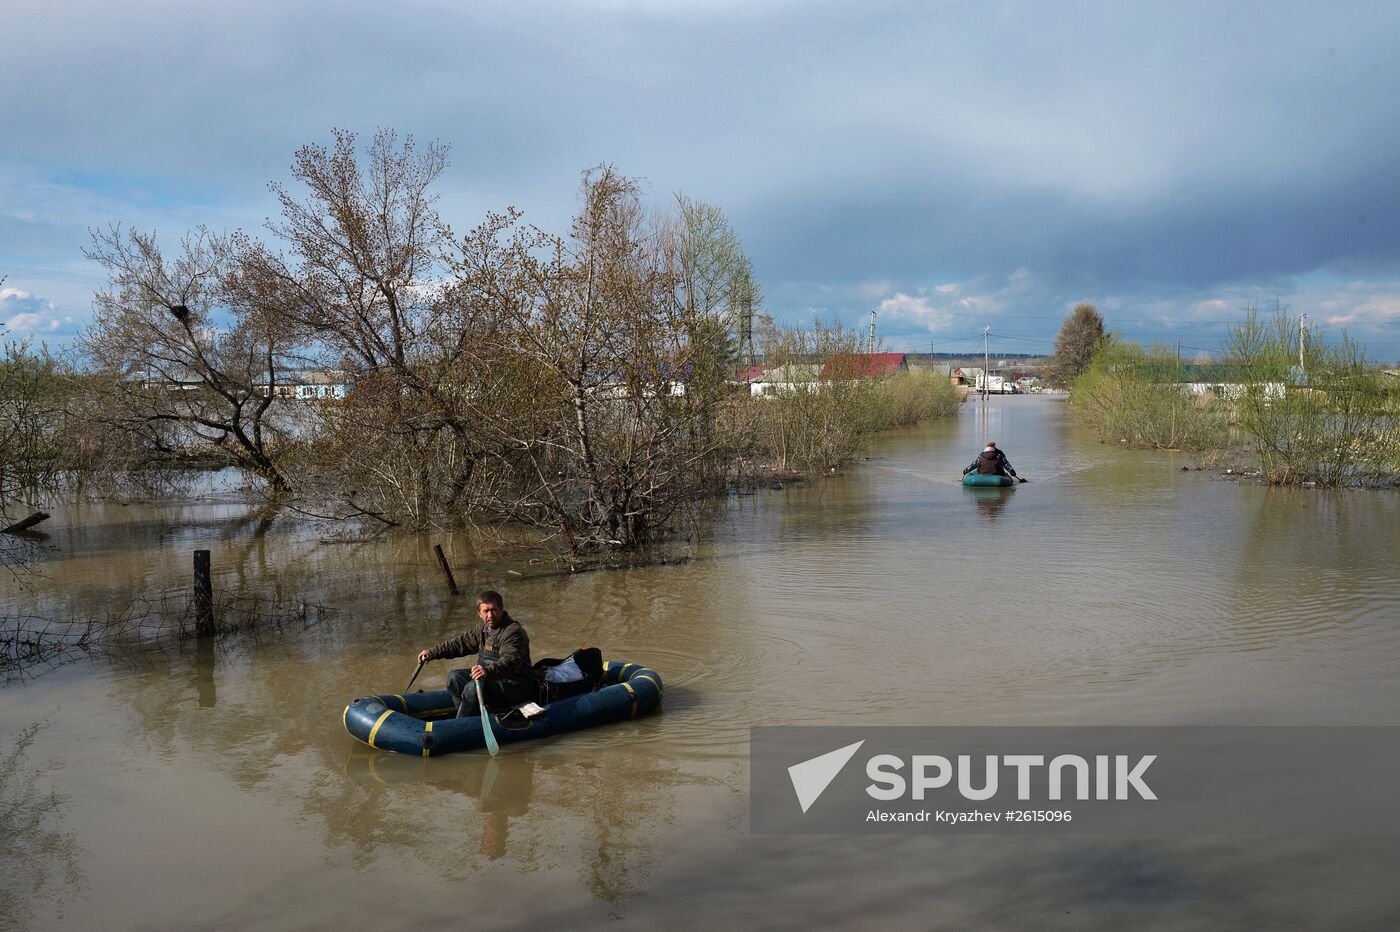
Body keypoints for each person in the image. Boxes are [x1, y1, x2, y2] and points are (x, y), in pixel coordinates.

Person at [416, 590, 535, 717]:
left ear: (501, 609)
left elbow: (510, 661)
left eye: (493, 610)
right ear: (479, 614)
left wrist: (487, 670)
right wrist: (433, 652)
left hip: (515, 685)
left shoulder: (512, 632)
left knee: (473, 687)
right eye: (486, 611)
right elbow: (460, 644)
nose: (490, 615)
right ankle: (469, 718)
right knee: (454, 678)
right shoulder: (483, 629)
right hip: (490, 679)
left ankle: (462, 723)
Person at [962, 441, 1027, 483]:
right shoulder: (999, 455)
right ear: (994, 448)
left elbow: (973, 465)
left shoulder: (981, 456)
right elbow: (1007, 466)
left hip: (982, 474)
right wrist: (1013, 474)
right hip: (997, 475)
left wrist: (965, 471)